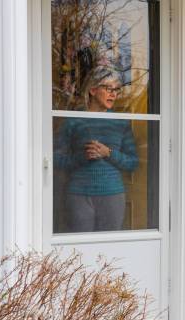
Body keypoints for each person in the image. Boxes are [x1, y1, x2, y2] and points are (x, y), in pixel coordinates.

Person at [54, 67, 139, 233]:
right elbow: (54, 159)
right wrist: (81, 157)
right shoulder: (74, 120)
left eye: (116, 90)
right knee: (79, 249)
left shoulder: (120, 122)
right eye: (108, 89)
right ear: (93, 90)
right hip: (79, 195)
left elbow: (133, 163)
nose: (113, 94)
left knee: (110, 251)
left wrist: (109, 153)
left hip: (113, 195)